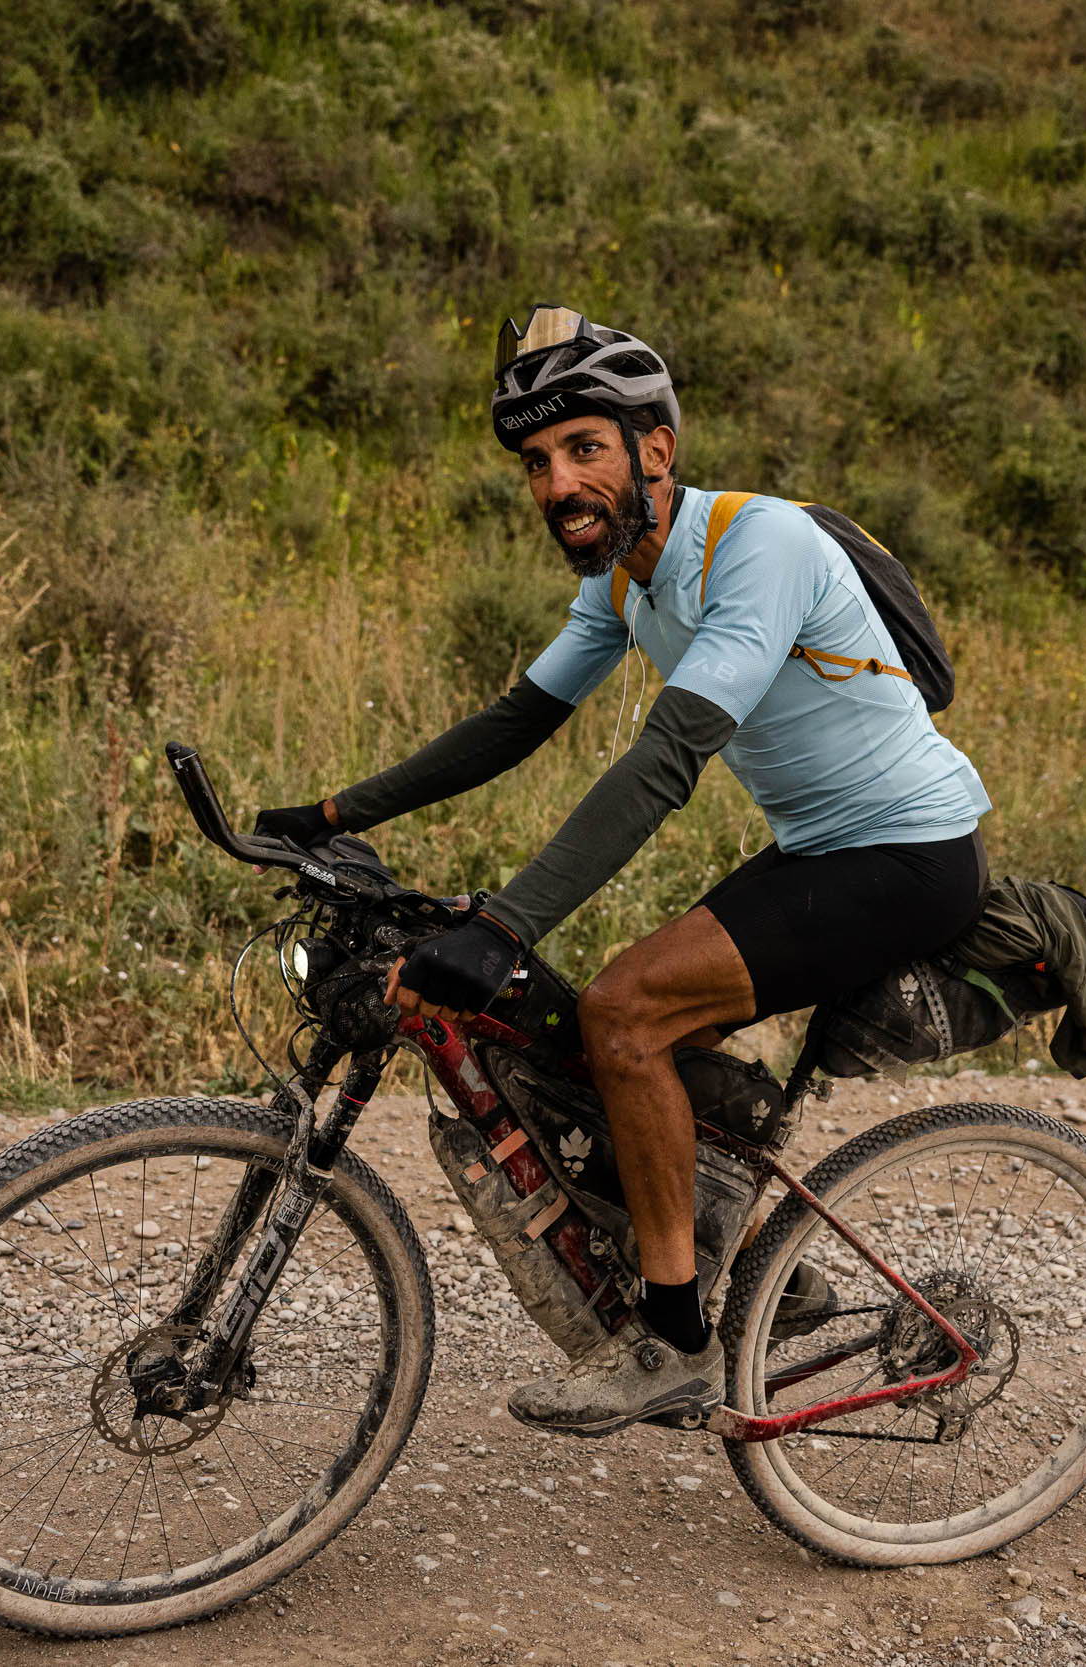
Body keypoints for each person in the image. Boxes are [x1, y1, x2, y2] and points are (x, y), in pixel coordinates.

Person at [254, 305, 990, 1435]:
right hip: (821, 848)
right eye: (538, 463)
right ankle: (747, 1251)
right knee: (570, 1026)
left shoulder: (763, 542)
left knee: (624, 1010)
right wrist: (331, 811)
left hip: (909, 852)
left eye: (583, 448)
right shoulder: (625, 585)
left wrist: (503, 922)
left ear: (655, 450)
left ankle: (676, 1341)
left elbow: (667, 757)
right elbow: (516, 721)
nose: (557, 483)